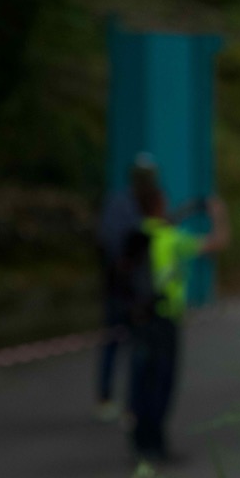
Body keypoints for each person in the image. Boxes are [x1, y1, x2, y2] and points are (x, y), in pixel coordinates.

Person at [128, 186, 230, 461]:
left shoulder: (136, 235)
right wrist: (219, 214)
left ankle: (141, 441)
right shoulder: (171, 238)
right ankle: (156, 445)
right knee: (162, 382)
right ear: (159, 205)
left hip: (139, 318)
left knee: (142, 380)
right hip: (164, 320)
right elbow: (218, 242)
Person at [95, 152, 160, 421]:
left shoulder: (148, 204)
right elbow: (111, 246)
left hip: (139, 292)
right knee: (116, 344)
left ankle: (131, 405)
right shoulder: (121, 204)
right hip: (121, 290)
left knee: (137, 349)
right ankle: (107, 399)